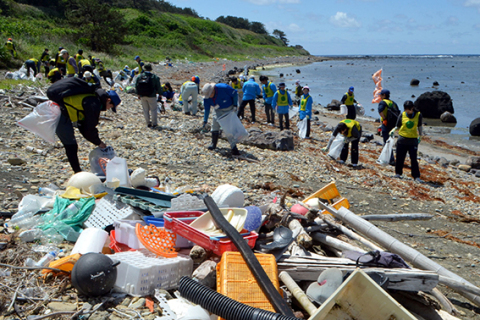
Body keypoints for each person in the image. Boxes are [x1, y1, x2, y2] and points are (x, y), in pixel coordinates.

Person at [46, 78, 122, 173]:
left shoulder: (93, 98)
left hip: (58, 110)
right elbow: (88, 128)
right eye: (111, 106)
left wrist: (97, 141)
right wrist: (99, 143)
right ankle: (77, 173)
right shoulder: (94, 103)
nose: (108, 109)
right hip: (59, 113)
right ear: (108, 100)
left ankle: (77, 171)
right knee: (70, 144)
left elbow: (83, 125)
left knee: (71, 144)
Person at [202, 83, 242, 156]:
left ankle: (234, 147)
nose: (209, 96)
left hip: (229, 109)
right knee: (214, 125)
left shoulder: (223, 88)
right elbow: (207, 109)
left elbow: (234, 94)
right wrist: (205, 121)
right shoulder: (207, 98)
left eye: (210, 94)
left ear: (213, 90)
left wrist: (235, 105)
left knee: (229, 129)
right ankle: (213, 144)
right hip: (217, 110)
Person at [390, 100, 423, 182]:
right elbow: (397, 125)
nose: (407, 111)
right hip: (402, 139)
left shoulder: (418, 115)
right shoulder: (403, 114)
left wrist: (421, 135)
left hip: (413, 140)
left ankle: (416, 176)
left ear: (412, 108)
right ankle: (398, 173)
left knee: (413, 159)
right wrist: (393, 130)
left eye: (409, 110)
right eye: (406, 109)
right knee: (400, 157)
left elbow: (419, 126)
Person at [135, 64, 163, 128]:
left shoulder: (139, 76)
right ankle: (154, 123)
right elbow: (158, 86)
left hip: (142, 95)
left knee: (145, 110)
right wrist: (160, 94)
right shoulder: (154, 77)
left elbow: (136, 86)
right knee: (153, 110)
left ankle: (148, 123)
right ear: (150, 69)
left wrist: (138, 94)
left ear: (144, 69)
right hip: (152, 95)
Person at [378, 89, 400, 165]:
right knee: (390, 140)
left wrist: (384, 119)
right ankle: (390, 158)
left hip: (386, 123)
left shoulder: (383, 102)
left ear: (384, 95)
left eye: (381, 94)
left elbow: (380, 111)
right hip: (393, 124)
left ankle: (389, 159)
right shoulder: (393, 103)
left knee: (386, 141)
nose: (380, 96)